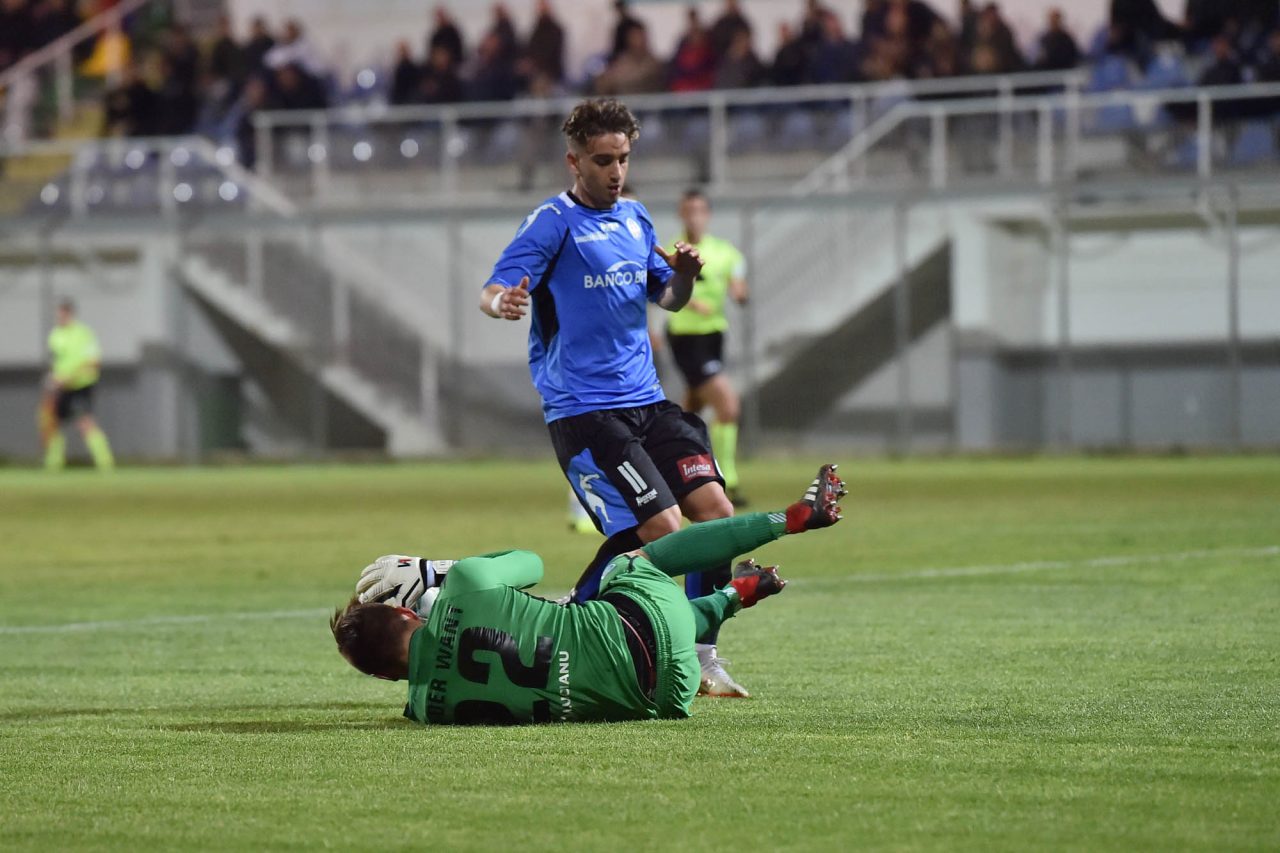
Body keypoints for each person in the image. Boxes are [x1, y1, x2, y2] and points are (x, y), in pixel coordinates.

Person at [478, 99, 754, 697]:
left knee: (716, 514)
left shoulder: (636, 219)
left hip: (648, 401)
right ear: (573, 160)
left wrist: (681, 275)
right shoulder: (551, 222)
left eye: (623, 158)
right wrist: (502, 302)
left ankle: (705, 656)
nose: (616, 172)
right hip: (584, 410)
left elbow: (670, 300)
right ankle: (580, 618)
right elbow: (494, 286)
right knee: (666, 529)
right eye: (603, 160)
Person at [331, 465, 846, 724]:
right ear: (405, 608)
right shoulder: (464, 587)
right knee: (634, 562)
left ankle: (736, 594)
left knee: (607, 633)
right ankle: (793, 519)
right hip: (649, 626)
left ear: (382, 675)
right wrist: (440, 570)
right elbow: (531, 564)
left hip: (665, 698)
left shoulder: (425, 711)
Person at [664, 189, 750, 511]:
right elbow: (660, 286)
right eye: (689, 211)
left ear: (708, 215)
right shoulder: (673, 251)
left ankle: (673, 471)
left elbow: (738, 283)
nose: (694, 217)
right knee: (727, 405)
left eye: (700, 210)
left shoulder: (726, 253)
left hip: (714, 337)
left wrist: (740, 293)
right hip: (686, 338)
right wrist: (689, 298)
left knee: (689, 414)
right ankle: (729, 478)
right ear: (681, 214)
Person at [42, 300, 115, 472]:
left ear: (70, 314)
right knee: (54, 423)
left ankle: (105, 463)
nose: (59, 317)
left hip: (81, 385)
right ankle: (53, 464)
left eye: (62, 314)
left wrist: (69, 377)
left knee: (85, 422)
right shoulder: (55, 335)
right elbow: (56, 362)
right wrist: (53, 379)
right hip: (62, 387)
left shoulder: (83, 334)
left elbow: (93, 362)